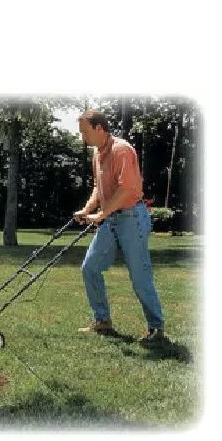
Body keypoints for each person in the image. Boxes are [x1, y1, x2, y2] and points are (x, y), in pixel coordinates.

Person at [74, 109, 166, 345]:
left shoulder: (121, 150)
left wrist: (101, 214)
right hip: (111, 220)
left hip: (131, 218)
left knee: (139, 275)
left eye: (85, 132)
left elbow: (127, 189)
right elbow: (99, 187)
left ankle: (156, 328)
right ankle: (102, 320)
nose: (83, 137)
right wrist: (86, 210)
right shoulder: (97, 154)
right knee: (90, 267)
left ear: (99, 128)